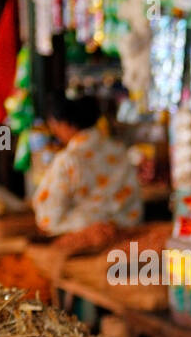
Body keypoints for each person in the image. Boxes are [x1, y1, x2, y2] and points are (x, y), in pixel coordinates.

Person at [31, 94, 142, 236]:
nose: (55, 132)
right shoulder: (119, 150)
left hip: (85, 238)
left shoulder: (67, 160)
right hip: (128, 234)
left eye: (55, 126)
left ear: (66, 124)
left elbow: (49, 214)